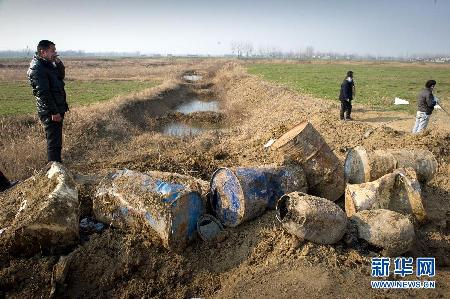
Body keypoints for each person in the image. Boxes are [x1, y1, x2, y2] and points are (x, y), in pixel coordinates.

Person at [27, 40, 69, 163]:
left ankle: (56, 166)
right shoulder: (38, 68)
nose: (55, 53)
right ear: (43, 52)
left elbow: (60, 76)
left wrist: (58, 62)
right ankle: (54, 169)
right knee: (53, 143)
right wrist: (54, 112)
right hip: (50, 111)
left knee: (56, 141)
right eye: (52, 51)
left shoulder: (48, 64)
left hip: (56, 107)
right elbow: (43, 93)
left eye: (55, 50)